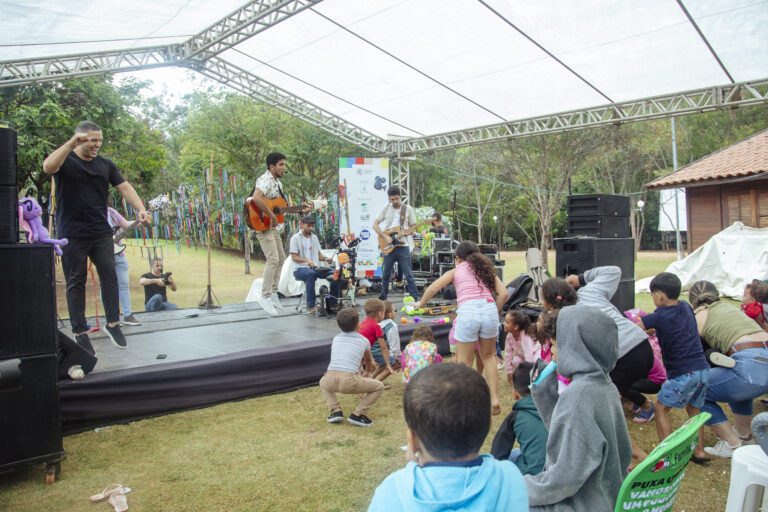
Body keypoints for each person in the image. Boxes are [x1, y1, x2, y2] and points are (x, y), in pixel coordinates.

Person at [43, 121, 151, 353]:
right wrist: (70, 144)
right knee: (76, 281)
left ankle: (112, 324)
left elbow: (124, 187)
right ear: (80, 138)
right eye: (93, 140)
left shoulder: (105, 164)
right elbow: (48, 167)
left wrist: (140, 208)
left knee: (110, 274)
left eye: (100, 140)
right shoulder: (66, 160)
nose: (97, 144)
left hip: (100, 231)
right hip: (72, 232)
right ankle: (80, 332)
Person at [368, 363, 528, 511]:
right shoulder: (509, 478)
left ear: (412, 439)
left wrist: (410, 469)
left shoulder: (391, 490)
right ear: (489, 425)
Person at [525, 305, 632, 511]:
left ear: (575, 348)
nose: (552, 352)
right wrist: (544, 395)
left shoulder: (578, 397)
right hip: (607, 495)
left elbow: (561, 481)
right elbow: (570, 444)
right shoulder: (605, 386)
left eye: (555, 344)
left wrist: (514, 487)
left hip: (582, 503)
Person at [414, 241, 508, 415]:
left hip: (468, 312)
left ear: (458, 258)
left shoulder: (456, 271)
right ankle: (494, 398)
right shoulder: (486, 271)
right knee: (488, 356)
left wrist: (421, 303)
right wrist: (495, 309)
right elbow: (504, 294)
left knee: (465, 362)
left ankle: (465, 402)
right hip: (488, 310)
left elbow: (434, 287)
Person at [550, 267, 656, 422]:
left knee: (598, 393)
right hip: (643, 346)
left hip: (623, 355)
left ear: (551, 305)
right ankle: (639, 403)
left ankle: (637, 411)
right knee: (612, 383)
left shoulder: (565, 317)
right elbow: (614, 271)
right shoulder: (589, 292)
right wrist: (580, 278)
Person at [687, 280, 768, 459]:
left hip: (749, 365)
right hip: (761, 358)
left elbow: (693, 351)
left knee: (695, 388)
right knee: (740, 390)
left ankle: (733, 445)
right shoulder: (730, 308)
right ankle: (744, 436)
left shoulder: (699, 315)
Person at [635, 272, 710, 454]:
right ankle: (699, 451)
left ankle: (666, 452)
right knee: (694, 409)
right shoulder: (685, 306)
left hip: (682, 373)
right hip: (702, 369)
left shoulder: (658, 316)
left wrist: (643, 331)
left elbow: (633, 329)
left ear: (659, 295)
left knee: (661, 409)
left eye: (652, 295)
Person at [249, 152, 311, 315]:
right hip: (262, 224)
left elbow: (280, 208)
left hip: (272, 226)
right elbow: (256, 198)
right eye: (281, 165)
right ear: (272, 166)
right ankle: (265, 295)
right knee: (273, 258)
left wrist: (301, 211)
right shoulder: (265, 179)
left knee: (282, 259)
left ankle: (274, 293)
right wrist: (270, 215)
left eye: (284, 164)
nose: (284, 168)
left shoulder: (278, 184)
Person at [319, 307, 384, 427]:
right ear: (358, 324)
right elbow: (369, 361)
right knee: (379, 386)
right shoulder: (364, 341)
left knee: (323, 383)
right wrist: (369, 370)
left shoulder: (336, 339)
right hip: (349, 381)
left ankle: (336, 410)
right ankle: (358, 414)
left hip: (330, 379)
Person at [491, 362, 548, 476]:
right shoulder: (559, 405)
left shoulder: (516, 416)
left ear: (515, 393)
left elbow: (497, 455)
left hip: (532, 482)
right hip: (564, 476)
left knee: (514, 454)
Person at [372, 186, 419, 301]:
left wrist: (407, 232)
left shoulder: (407, 209)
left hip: (403, 245)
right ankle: (383, 298)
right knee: (386, 274)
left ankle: (415, 299)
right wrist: (385, 236)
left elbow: (413, 225)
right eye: (392, 199)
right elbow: (375, 225)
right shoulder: (386, 208)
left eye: (397, 199)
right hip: (389, 245)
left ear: (400, 197)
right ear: (389, 199)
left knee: (408, 274)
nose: (395, 202)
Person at [289, 215, 340, 314]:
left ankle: (333, 303)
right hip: (299, 269)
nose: (311, 228)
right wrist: (306, 260)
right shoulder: (295, 238)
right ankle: (311, 306)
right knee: (310, 274)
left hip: (315, 267)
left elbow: (319, 255)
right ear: (302, 225)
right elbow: (294, 257)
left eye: (312, 226)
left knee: (335, 272)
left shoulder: (314, 237)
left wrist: (326, 258)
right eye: (308, 226)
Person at [107, 207, 140, 326]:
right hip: (104, 255)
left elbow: (126, 224)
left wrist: (139, 220)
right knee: (106, 286)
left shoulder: (111, 212)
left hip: (119, 254)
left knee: (124, 283)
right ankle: (111, 317)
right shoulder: (91, 212)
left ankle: (128, 315)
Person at [359, 298, 395, 382]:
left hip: (358, 352)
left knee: (371, 368)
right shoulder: (376, 327)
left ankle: (365, 386)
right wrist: (388, 364)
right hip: (360, 353)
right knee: (369, 369)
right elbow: (383, 347)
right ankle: (363, 386)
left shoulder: (363, 323)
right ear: (380, 313)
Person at [503, 310, 539, 383]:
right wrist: (509, 371)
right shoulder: (509, 336)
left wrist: (527, 374)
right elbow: (508, 354)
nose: (503, 323)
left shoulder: (525, 336)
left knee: (536, 362)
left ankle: (533, 379)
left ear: (516, 327)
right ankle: (522, 376)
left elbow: (529, 357)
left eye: (507, 322)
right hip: (523, 355)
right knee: (516, 361)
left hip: (534, 354)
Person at [378, 300, 401, 365]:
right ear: (389, 314)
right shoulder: (391, 325)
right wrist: (399, 359)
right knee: (397, 363)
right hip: (381, 355)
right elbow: (395, 348)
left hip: (372, 354)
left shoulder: (376, 323)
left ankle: (372, 375)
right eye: (394, 310)